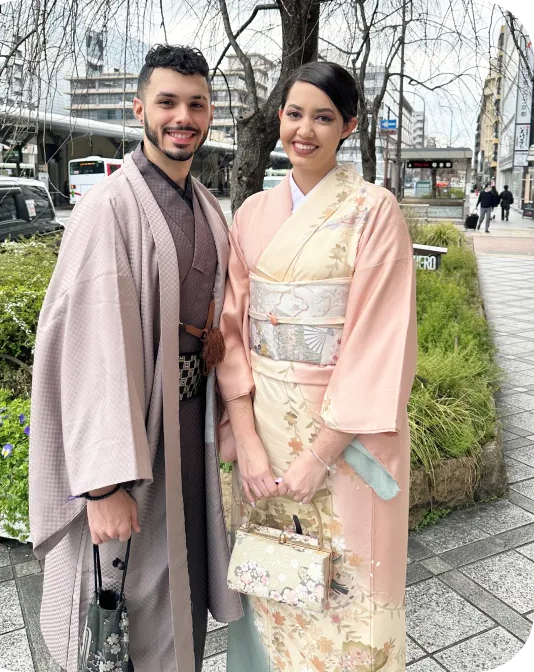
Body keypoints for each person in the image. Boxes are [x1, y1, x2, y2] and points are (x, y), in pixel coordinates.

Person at [29, 45, 242, 672]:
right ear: (140, 107)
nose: (183, 117)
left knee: (182, 589)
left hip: (187, 429)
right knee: (133, 599)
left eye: (196, 104)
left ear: (209, 116)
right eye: (168, 102)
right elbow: (89, 347)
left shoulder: (204, 204)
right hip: (134, 440)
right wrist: (102, 485)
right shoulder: (108, 207)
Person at [217, 61, 417, 671]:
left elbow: (379, 341)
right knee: (275, 576)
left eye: (324, 117)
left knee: (347, 592)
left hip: (343, 438)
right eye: (295, 113)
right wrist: (247, 442)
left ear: (349, 126)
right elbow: (233, 333)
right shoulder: (251, 212)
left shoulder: (373, 211)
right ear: (279, 118)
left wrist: (319, 454)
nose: (306, 130)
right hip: (266, 436)